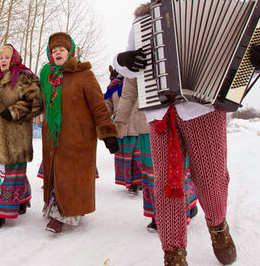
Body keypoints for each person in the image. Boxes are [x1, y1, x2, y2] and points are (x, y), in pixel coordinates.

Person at [113, 0, 236, 265]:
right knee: (166, 184)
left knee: (210, 178)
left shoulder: (206, 9)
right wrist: (125, 59)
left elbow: (238, 44)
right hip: (160, 114)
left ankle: (218, 226)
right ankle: (173, 252)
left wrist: (254, 55)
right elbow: (124, 63)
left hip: (202, 108)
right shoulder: (141, 22)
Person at [40, 32, 119, 233]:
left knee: (71, 176)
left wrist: (108, 133)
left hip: (78, 138)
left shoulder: (84, 74)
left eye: (62, 50)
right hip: (53, 138)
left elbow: (99, 106)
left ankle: (64, 215)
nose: (58, 53)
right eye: (54, 50)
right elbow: (38, 103)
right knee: (57, 175)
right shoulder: (48, 76)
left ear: (70, 52)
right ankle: (60, 208)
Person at [114, 76, 198, 233]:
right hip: (148, 123)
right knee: (153, 173)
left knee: (180, 168)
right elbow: (128, 94)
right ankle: (157, 215)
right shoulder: (135, 56)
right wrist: (119, 124)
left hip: (181, 118)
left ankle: (188, 205)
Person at [0, 44, 42, 230]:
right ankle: (22, 199)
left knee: (10, 174)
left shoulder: (25, 77)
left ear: (14, 58)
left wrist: (14, 111)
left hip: (15, 137)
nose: (3, 60)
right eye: (0, 57)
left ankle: (1, 213)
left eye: (6, 57)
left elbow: (36, 101)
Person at [104, 67, 142, 196]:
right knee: (124, 156)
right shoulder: (113, 87)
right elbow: (107, 104)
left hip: (136, 126)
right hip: (120, 127)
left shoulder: (136, 81)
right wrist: (104, 119)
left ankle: (136, 183)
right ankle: (129, 182)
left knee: (136, 157)